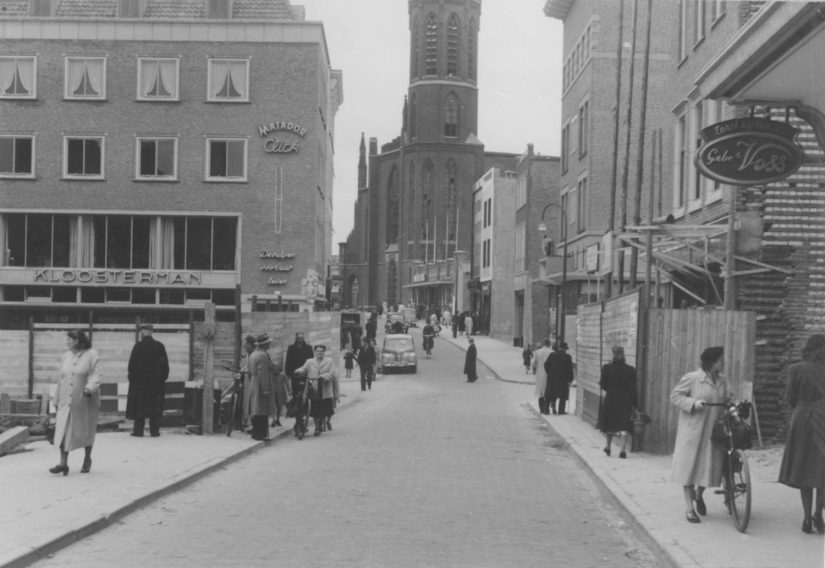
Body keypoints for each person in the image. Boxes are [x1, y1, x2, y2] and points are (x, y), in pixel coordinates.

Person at [670, 346, 729, 524]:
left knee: (709, 468)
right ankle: (690, 509)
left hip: (713, 430)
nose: (724, 363)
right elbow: (675, 396)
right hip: (694, 431)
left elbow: (729, 397)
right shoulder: (692, 378)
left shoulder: (723, 380)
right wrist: (693, 402)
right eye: (721, 360)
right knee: (689, 468)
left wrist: (733, 405)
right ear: (711, 362)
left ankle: (698, 494)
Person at [778, 334, 825, 534]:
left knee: (804, 467)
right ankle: (818, 515)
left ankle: (806, 519)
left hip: (802, 419)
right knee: (822, 469)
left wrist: (802, 407)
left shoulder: (796, 369)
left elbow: (789, 398)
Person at [50, 330, 101, 476]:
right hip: (66, 399)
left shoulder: (92, 354)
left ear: (77, 341)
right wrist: (56, 398)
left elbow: (96, 374)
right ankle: (63, 464)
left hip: (85, 399)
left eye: (69, 340)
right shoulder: (66, 356)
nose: (66, 342)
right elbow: (61, 378)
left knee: (86, 429)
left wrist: (89, 388)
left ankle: (87, 458)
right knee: (63, 429)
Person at [126, 323, 170, 438]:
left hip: (140, 384)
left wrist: (133, 381)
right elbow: (165, 367)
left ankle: (138, 431)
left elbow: (132, 366)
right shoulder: (159, 346)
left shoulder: (138, 347)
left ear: (143, 332)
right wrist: (161, 380)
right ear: (151, 332)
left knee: (139, 407)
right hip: (155, 384)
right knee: (155, 407)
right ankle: (154, 431)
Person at [599, 346, 638, 458]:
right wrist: (635, 404)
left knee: (609, 423)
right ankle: (622, 450)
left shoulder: (607, 368)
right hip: (625, 400)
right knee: (623, 424)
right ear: (624, 355)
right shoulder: (630, 370)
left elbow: (603, 385)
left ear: (613, 355)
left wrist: (611, 389)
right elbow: (633, 389)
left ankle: (608, 447)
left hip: (611, 398)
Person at [295, 345, 339, 436]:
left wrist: (324, 376)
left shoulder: (329, 361)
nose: (319, 353)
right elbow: (304, 369)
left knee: (325, 409)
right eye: (318, 351)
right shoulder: (309, 361)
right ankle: (317, 426)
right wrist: (298, 371)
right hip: (313, 388)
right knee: (315, 408)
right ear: (315, 352)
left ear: (324, 352)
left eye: (321, 351)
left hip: (324, 387)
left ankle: (323, 423)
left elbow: (332, 373)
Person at [247, 333, 274, 441]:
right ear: (264, 344)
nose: (269, 345)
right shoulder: (263, 355)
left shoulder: (253, 354)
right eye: (268, 343)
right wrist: (265, 389)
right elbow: (263, 374)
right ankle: (261, 434)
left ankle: (256, 432)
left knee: (256, 409)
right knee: (262, 410)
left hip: (254, 382)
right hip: (260, 383)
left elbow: (250, 371)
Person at [545, 341, 574, 414]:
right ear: (565, 349)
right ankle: (561, 411)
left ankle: (546, 410)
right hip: (563, 380)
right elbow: (570, 369)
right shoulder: (568, 357)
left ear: (559, 348)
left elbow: (546, 365)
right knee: (562, 396)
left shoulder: (552, 355)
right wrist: (570, 379)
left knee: (550, 394)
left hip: (552, 378)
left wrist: (550, 373)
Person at [238, 335, 256, 431]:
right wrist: (240, 371)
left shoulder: (254, 355)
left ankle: (252, 422)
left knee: (252, 402)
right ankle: (245, 421)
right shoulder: (248, 354)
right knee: (246, 402)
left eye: (246, 343)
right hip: (247, 380)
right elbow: (246, 366)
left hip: (253, 380)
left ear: (251, 345)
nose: (245, 345)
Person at [532, 339, 553, 414]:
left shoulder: (537, 352)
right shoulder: (552, 352)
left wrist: (535, 369)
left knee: (541, 393)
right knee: (548, 392)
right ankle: (546, 409)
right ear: (549, 344)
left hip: (539, 375)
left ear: (543, 344)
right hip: (549, 375)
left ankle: (541, 409)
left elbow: (533, 364)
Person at [270, 361, 290, 428]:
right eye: (274, 367)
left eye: (277, 367)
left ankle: (277, 419)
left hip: (280, 392)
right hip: (272, 392)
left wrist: (289, 390)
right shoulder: (270, 374)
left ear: (279, 367)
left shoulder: (282, 374)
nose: (275, 368)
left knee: (279, 406)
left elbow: (286, 382)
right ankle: (273, 420)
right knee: (273, 406)